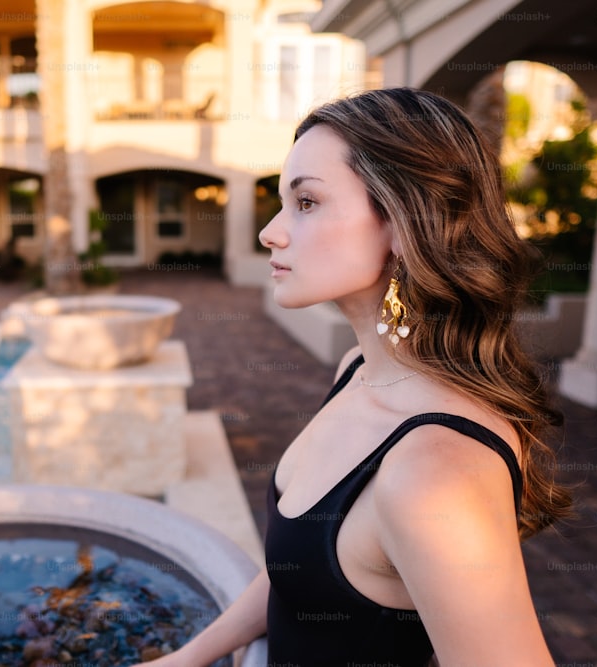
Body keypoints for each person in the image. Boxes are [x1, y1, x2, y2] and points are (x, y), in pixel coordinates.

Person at [133, 88, 571, 666]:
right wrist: (189, 657)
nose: (271, 231)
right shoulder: (359, 372)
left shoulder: (434, 472)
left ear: (402, 222)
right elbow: (300, 570)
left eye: (307, 203)